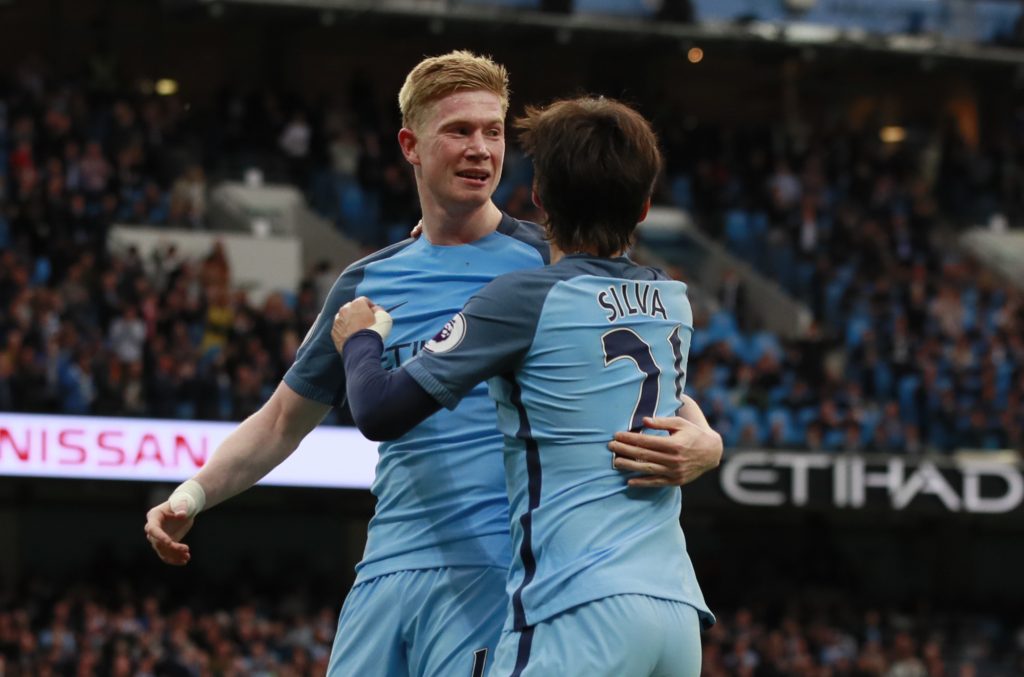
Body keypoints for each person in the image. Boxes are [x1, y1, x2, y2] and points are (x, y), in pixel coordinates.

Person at [144, 52, 721, 677]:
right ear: (410, 144)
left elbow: (643, 377)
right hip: (386, 569)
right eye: (459, 131)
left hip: (497, 579)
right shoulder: (368, 281)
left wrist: (708, 443)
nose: (480, 149)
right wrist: (193, 493)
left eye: (492, 131)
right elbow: (283, 419)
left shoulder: (547, 265)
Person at [335, 96, 714, 676]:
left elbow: (380, 411)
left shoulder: (524, 299)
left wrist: (361, 340)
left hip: (577, 610)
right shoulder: (674, 302)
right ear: (643, 209)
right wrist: (708, 441)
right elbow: (662, 395)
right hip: (677, 615)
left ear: (538, 199)